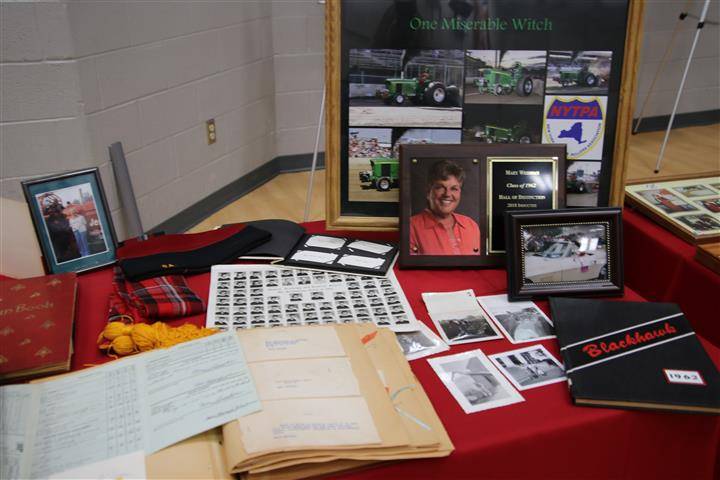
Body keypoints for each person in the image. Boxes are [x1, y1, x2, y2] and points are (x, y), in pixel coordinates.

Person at [409, 160, 481, 255]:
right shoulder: (411, 227)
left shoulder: (471, 225)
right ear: (428, 192)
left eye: (454, 188)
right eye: (440, 187)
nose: (447, 194)